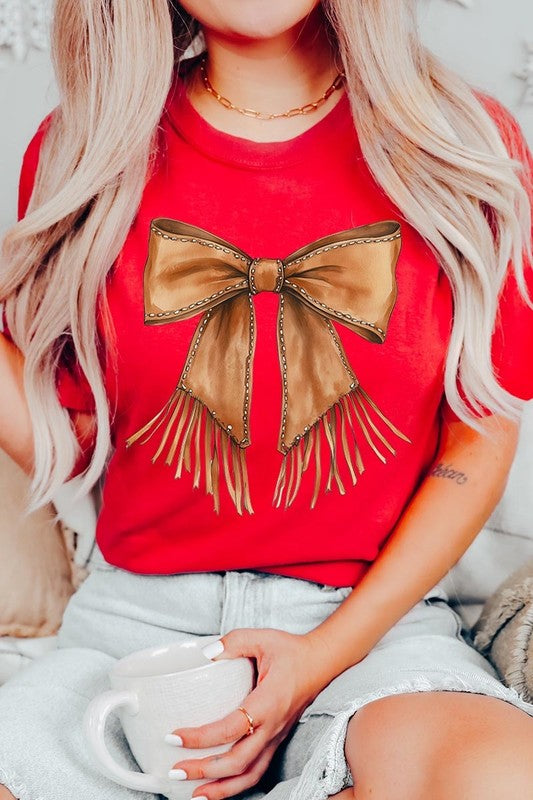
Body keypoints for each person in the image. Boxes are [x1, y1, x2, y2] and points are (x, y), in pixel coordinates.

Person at [1, 1, 533, 799]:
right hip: (135, 630)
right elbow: (76, 444)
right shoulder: (82, 148)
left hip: (370, 629)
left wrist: (318, 659)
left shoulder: (465, 142)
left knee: (500, 779)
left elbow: (477, 440)